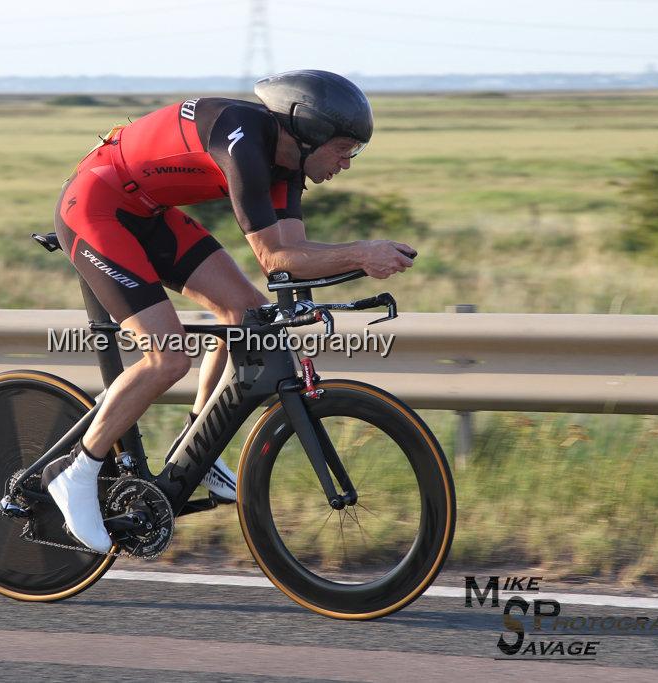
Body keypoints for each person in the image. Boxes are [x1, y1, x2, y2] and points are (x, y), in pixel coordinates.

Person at [43, 70, 418, 552]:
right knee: (168, 358)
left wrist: (350, 266)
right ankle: (76, 472)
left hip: (146, 214)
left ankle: (198, 446)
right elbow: (274, 259)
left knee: (249, 317)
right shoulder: (241, 140)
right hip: (95, 209)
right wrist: (361, 253)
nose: (347, 163)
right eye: (346, 149)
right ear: (309, 133)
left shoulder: (288, 167)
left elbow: (295, 259)